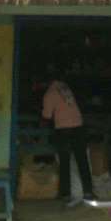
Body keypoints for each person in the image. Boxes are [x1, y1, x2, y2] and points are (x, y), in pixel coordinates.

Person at [42, 67, 94, 204]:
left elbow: (46, 116)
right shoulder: (65, 88)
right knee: (82, 160)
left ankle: (65, 193)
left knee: (64, 162)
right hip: (78, 126)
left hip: (64, 129)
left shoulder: (50, 93)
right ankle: (88, 191)